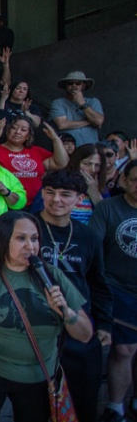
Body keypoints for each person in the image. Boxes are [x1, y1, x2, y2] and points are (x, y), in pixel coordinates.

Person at [0, 211, 92, 422]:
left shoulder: (52, 276)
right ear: (0, 241)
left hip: (37, 377)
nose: (30, 246)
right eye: (21, 238)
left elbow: (85, 335)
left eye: (34, 239)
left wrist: (67, 313)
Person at [34, 170, 113, 422]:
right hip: (33, 325)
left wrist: (103, 323)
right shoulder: (25, 227)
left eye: (65, 195)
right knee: (33, 405)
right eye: (50, 192)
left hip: (76, 324)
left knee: (81, 402)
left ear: (79, 199)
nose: (56, 199)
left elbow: (97, 281)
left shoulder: (88, 235)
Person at [90, 161, 137, 422]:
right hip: (118, 290)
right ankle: (116, 406)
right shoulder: (108, 208)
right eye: (135, 179)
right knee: (123, 350)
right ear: (124, 180)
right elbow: (93, 246)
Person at [0, 117, 69, 208]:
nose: (17, 132)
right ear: (8, 130)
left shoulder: (36, 151)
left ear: (28, 136)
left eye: (23, 130)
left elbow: (61, 163)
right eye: (14, 128)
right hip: (8, 202)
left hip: (37, 203)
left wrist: (55, 139)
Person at [50, 71, 104, 146]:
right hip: (67, 151)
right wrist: (90, 122)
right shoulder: (58, 103)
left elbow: (98, 121)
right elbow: (62, 125)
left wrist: (82, 103)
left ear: (84, 85)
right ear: (66, 85)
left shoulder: (93, 102)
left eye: (78, 83)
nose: (73, 85)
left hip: (91, 149)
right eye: (70, 83)